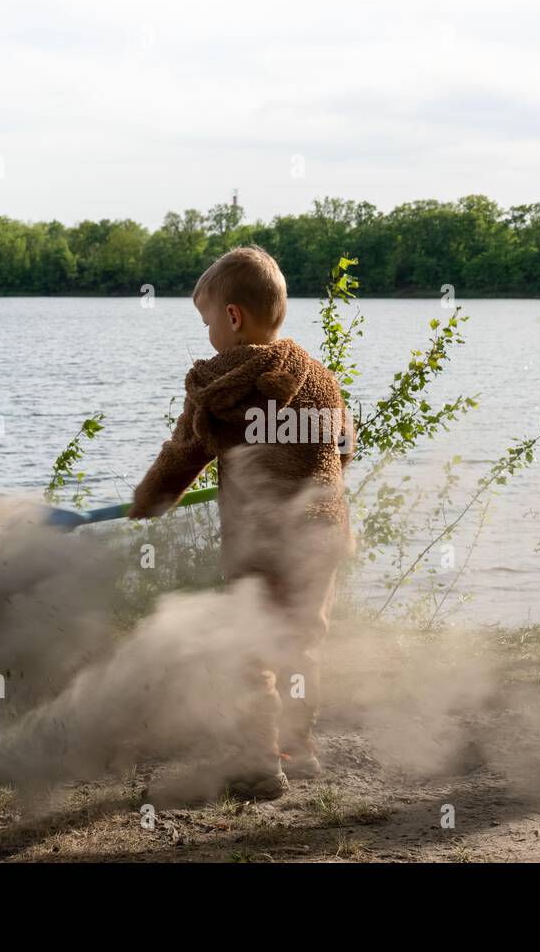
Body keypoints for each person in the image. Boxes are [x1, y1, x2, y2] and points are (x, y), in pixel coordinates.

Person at [129, 245, 355, 799]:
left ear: (232, 317)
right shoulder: (317, 375)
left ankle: (258, 764)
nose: (207, 334)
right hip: (323, 535)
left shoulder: (219, 387)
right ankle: (297, 751)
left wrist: (150, 501)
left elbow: (182, 455)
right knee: (301, 643)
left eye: (207, 321)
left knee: (250, 650)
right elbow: (345, 447)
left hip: (263, 543)